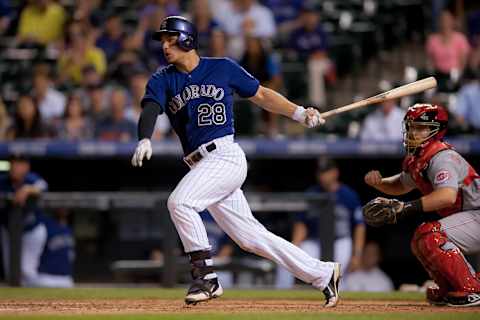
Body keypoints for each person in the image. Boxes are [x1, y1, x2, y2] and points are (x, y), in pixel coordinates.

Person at [131, 16, 340, 307]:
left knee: (180, 202)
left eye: (170, 38)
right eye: (162, 41)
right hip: (200, 165)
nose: (165, 46)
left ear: (187, 39)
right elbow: (151, 108)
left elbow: (263, 95)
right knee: (251, 238)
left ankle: (206, 277)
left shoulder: (222, 67)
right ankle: (323, 272)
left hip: (225, 155)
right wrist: (145, 137)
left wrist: (299, 113)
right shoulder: (163, 78)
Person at [363, 103, 480, 307]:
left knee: (430, 234)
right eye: (411, 127)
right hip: (470, 217)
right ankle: (450, 289)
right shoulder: (419, 159)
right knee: (420, 238)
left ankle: (471, 289)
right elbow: (401, 184)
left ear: (435, 130)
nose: (413, 132)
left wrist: (405, 208)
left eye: (420, 127)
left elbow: (446, 196)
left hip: (477, 214)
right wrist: (380, 183)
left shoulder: (442, 157)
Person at [275, 157, 365, 288]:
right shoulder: (312, 194)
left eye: (326, 171)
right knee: (288, 261)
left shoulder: (349, 195)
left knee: (338, 275)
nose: (323, 176)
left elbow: (359, 226)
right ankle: (280, 298)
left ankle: (339, 304)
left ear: (335, 172)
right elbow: (301, 223)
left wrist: (357, 254)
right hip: (314, 241)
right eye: (321, 172)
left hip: (340, 241)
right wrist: (294, 247)